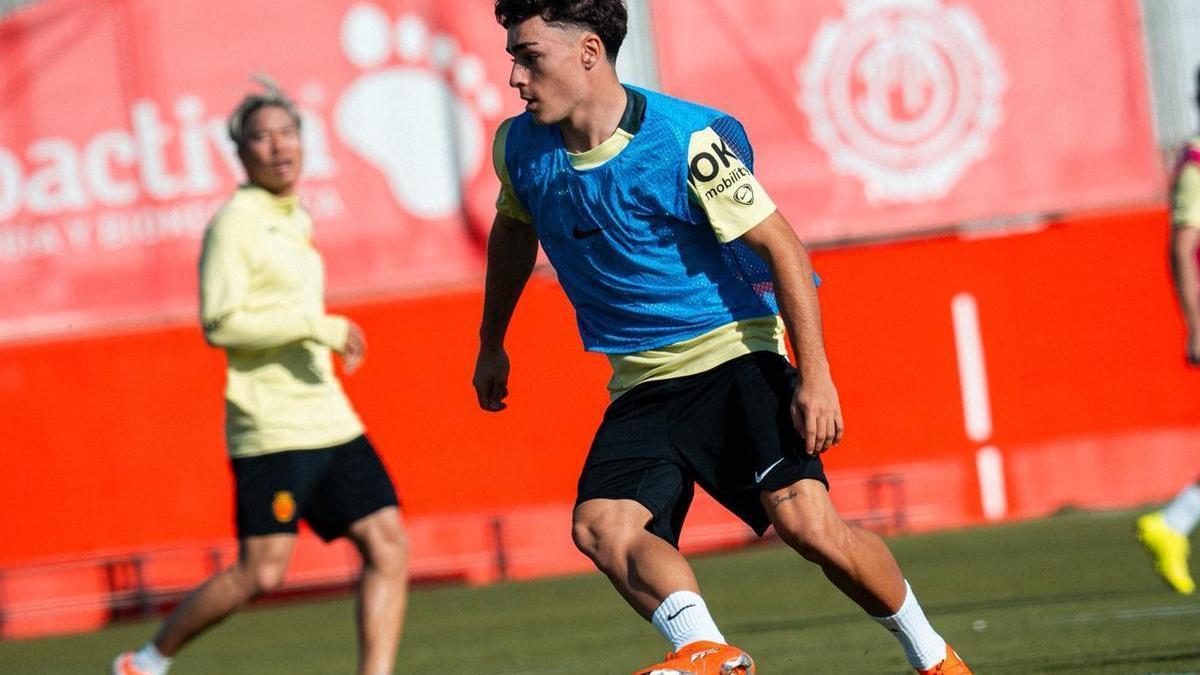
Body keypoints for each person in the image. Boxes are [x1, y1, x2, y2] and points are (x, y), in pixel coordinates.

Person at [473, 1, 969, 673]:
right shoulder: (519, 150)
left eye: (529, 57)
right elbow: (513, 230)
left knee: (807, 526)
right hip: (642, 384)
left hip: (735, 357)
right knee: (601, 524)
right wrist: (491, 341)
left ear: (589, 52)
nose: (515, 79)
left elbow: (783, 248)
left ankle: (936, 659)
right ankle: (707, 651)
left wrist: (815, 374)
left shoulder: (684, 142)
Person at [113, 79, 408, 675]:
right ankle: (145, 662)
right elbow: (220, 324)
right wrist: (316, 326)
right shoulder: (235, 223)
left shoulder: (294, 215)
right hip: (271, 426)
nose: (278, 146)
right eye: (261, 136)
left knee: (388, 544)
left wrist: (316, 335)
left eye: (287, 132)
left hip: (329, 417)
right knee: (262, 572)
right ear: (240, 152)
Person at [1135, 86, 1200, 596]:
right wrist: (1195, 323)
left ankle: (1175, 521)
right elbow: (1183, 245)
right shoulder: (1198, 161)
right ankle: (1174, 521)